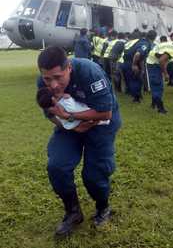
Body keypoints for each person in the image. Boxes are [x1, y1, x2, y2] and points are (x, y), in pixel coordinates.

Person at [36, 46, 121, 237]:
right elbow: (49, 112)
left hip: (100, 124)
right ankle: (73, 212)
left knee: (94, 174)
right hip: (70, 126)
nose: (54, 85)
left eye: (58, 77)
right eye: (47, 78)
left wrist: (69, 115)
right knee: (57, 166)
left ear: (69, 68)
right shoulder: (43, 82)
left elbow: (104, 112)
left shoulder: (89, 71)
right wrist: (72, 125)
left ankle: (102, 207)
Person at [36, 87, 110, 130]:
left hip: (70, 125)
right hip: (85, 118)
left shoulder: (54, 110)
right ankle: (102, 120)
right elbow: (73, 109)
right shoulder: (65, 102)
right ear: (53, 99)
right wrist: (68, 97)